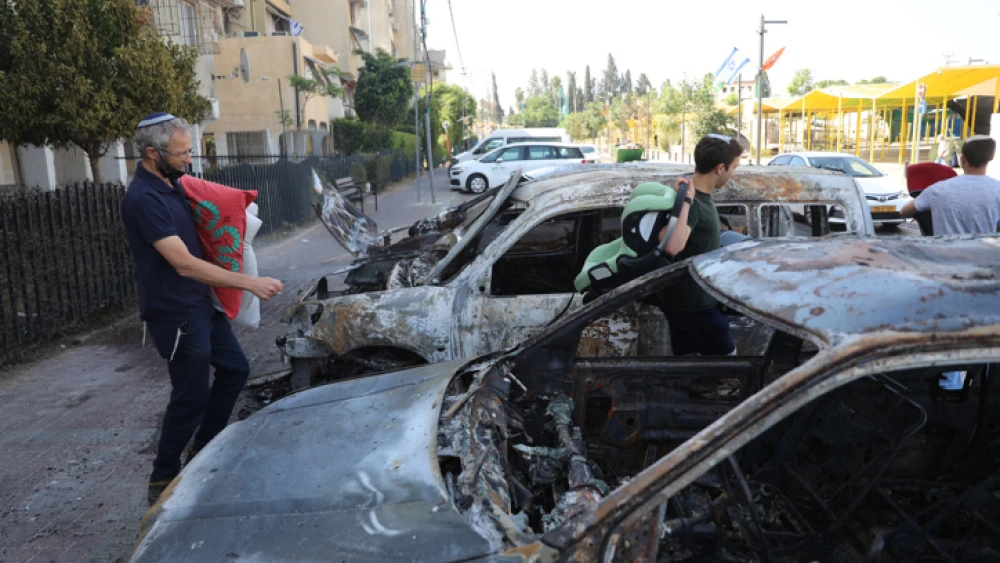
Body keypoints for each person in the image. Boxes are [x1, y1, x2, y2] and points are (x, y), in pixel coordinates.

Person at [120, 113, 284, 505]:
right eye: (182, 153)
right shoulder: (142, 199)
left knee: (235, 368)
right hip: (174, 313)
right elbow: (183, 263)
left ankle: (203, 449)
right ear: (151, 153)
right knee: (190, 395)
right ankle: (162, 480)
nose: (189, 160)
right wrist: (250, 283)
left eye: (190, 151)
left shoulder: (173, 184)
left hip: (200, 303)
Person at [657, 135, 743, 356]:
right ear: (720, 168)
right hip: (694, 304)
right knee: (728, 361)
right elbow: (671, 246)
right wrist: (685, 200)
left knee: (688, 365)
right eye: (733, 168)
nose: (733, 174)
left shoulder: (701, 196)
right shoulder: (693, 201)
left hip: (694, 299)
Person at [901, 135, 1000, 235]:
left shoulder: (938, 190)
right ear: (989, 159)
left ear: (962, 160)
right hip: (984, 250)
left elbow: (904, 211)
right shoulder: (997, 190)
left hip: (942, 250)